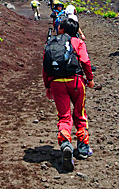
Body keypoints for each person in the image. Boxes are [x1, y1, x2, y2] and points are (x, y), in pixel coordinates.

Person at [43, 17, 95, 172]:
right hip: (76, 81)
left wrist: (47, 85)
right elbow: (85, 61)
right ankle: (83, 148)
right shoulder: (78, 42)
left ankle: (66, 144)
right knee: (80, 113)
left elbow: (45, 67)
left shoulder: (51, 43)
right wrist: (90, 79)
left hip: (57, 83)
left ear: (61, 29)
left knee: (64, 116)